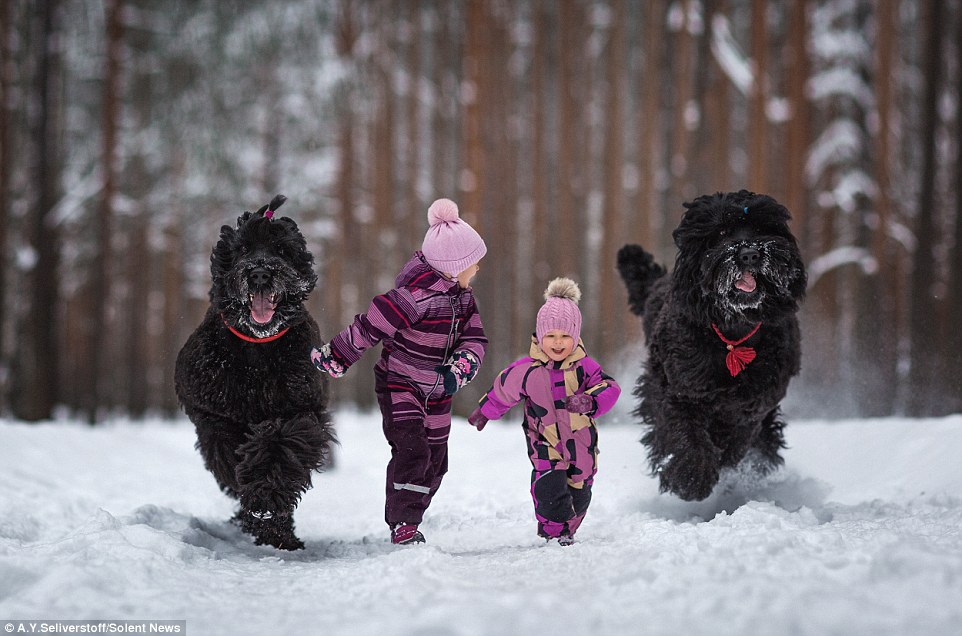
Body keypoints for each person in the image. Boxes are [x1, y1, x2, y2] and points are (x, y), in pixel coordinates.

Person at [311, 198, 487, 545]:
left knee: (436, 461)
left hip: (438, 392)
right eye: (473, 264)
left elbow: (476, 338)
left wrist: (462, 364)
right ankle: (404, 522)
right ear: (453, 268)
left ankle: (413, 510)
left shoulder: (465, 301)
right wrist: (338, 355)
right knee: (413, 451)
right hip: (400, 384)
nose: (477, 270)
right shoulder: (413, 298)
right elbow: (370, 326)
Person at [468, 278, 620, 545]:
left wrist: (590, 401)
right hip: (544, 441)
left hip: (581, 444)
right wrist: (486, 410)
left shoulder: (585, 367)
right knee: (548, 486)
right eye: (551, 336)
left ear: (576, 336)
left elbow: (610, 388)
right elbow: (503, 389)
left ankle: (568, 527)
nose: (558, 343)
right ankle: (554, 531)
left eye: (565, 336)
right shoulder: (527, 369)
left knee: (580, 489)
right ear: (539, 336)